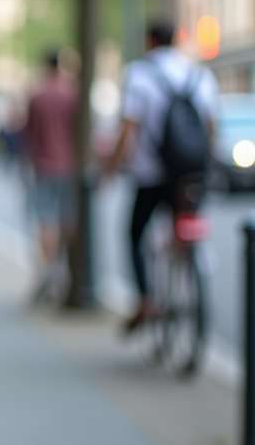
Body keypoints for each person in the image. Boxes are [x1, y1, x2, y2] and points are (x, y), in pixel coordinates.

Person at [103, 19, 218, 333]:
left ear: (150, 40)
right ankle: (189, 276)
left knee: (134, 234)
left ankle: (146, 299)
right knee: (186, 225)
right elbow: (211, 128)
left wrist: (110, 169)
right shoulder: (199, 75)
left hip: (151, 174)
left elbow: (128, 130)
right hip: (190, 173)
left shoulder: (139, 75)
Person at [23, 49, 77, 302]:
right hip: (69, 166)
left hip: (43, 166)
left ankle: (51, 272)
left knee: (46, 221)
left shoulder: (37, 96)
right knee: (66, 219)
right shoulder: (72, 93)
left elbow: (28, 134)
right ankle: (64, 270)